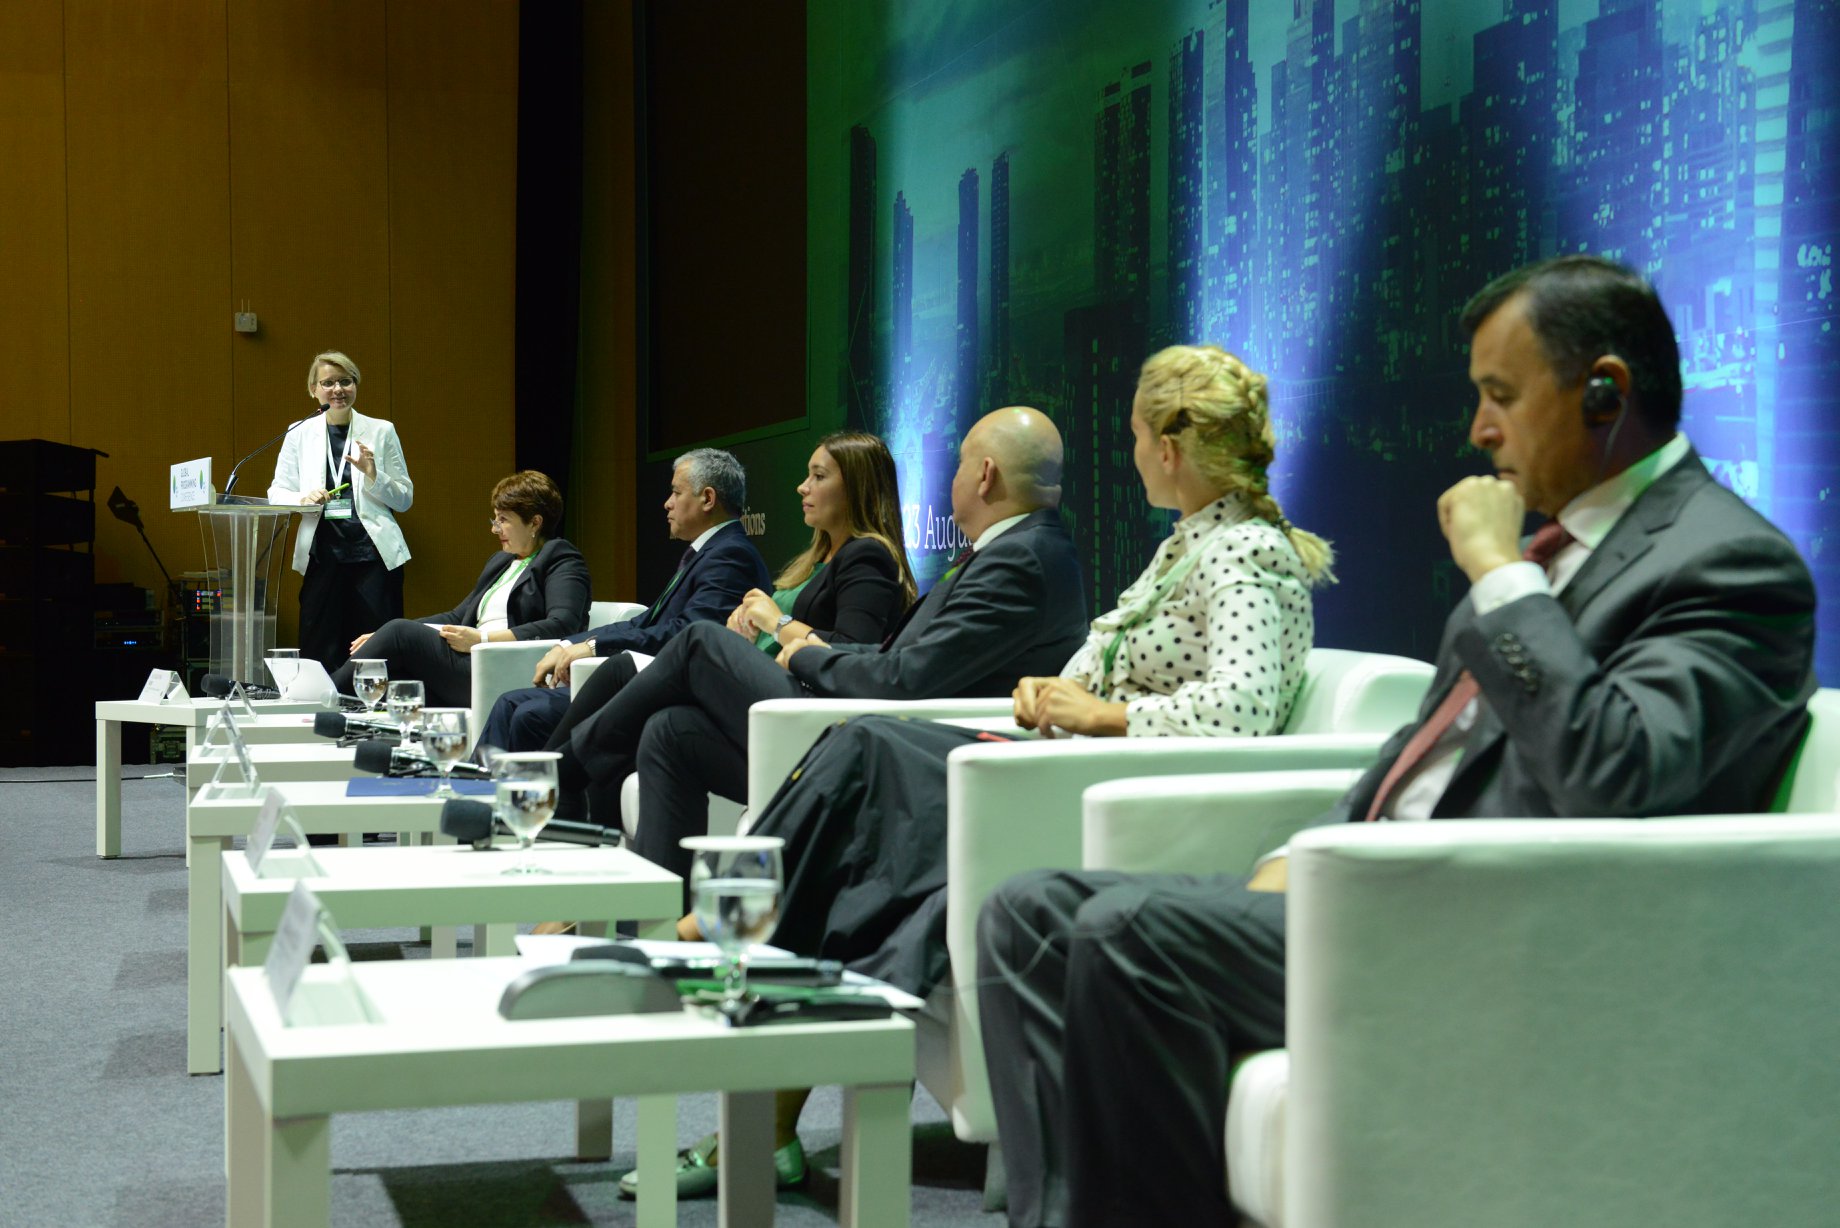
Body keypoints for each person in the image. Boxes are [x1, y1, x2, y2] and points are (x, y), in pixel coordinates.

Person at [975, 255, 1819, 1228]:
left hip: (1501, 927)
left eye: (1501, 395)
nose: (1479, 429)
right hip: (1381, 890)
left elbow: (1617, 773)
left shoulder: (1727, 562)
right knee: (1028, 914)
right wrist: (1305, 848)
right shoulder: (1554, 554)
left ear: (1604, 391)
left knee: (1129, 936)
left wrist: (1502, 577)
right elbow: (1421, 754)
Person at [635, 344, 1337, 1202]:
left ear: (1167, 447)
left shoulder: (1247, 552)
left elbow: (1240, 711)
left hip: (1096, 785)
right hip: (1059, 763)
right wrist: (1059, 691)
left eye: (1133, 437)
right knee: (863, 765)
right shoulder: (1189, 546)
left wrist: (1102, 714)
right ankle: (753, 1049)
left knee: (868, 747)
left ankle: (715, 927)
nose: (1128, 454)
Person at [565, 406, 1089, 896]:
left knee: (701, 643)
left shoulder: (1019, 560)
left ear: (985, 475)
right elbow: (896, 659)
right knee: (671, 730)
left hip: (878, 735)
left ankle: (567, 773)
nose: (803, 487)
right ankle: (662, 920)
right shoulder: (1015, 552)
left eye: (958, 465)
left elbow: (904, 678)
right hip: (854, 714)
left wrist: (801, 649)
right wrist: (804, 646)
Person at [525, 432, 916, 816]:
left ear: (857, 487)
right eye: (806, 475)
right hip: (775, 688)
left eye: (819, 476)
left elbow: (854, 651)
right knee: (666, 723)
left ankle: (557, 776)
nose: (802, 487)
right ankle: (583, 811)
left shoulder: (868, 556)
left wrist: (777, 623)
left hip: (810, 705)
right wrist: (746, 631)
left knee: (688, 641)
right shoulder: (816, 560)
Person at [475, 448, 769, 751]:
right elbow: (644, 621)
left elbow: (689, 633)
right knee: (509, 702)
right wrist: (569, 644)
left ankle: (544, 782)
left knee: (530, 714)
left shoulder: (730, 556)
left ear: (707, 498)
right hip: (651, 683)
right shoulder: (709, 552)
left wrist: (593, 647)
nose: (667, 503)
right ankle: (472, 780)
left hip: (674, 697)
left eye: (676, 492)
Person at [327, 471, 588, 709]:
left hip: (505, 665)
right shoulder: (503, 561)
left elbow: (562, 624)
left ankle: (324, 694)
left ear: (535, 523)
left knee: (399, 631)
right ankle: (343, 719)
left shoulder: (561, 558)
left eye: (503, 520)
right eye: (495, 519)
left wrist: (483, 639)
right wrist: (381, 638)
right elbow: (456, 616)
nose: (494, 528)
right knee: (394, 677)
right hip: (473, 659)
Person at [268, 350, 413, 674]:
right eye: (328, 383)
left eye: (345, 381)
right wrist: (304, 498)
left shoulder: (381, 430)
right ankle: (322, 702)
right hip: (322, 556)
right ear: (313, 389)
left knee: (375, 649)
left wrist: (374, 474)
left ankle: (376, 703)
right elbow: (277, 492)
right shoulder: (298, 432)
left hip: (373, 557)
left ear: (355, 385)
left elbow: (404, 498)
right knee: (319, 646)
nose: (338, 390)